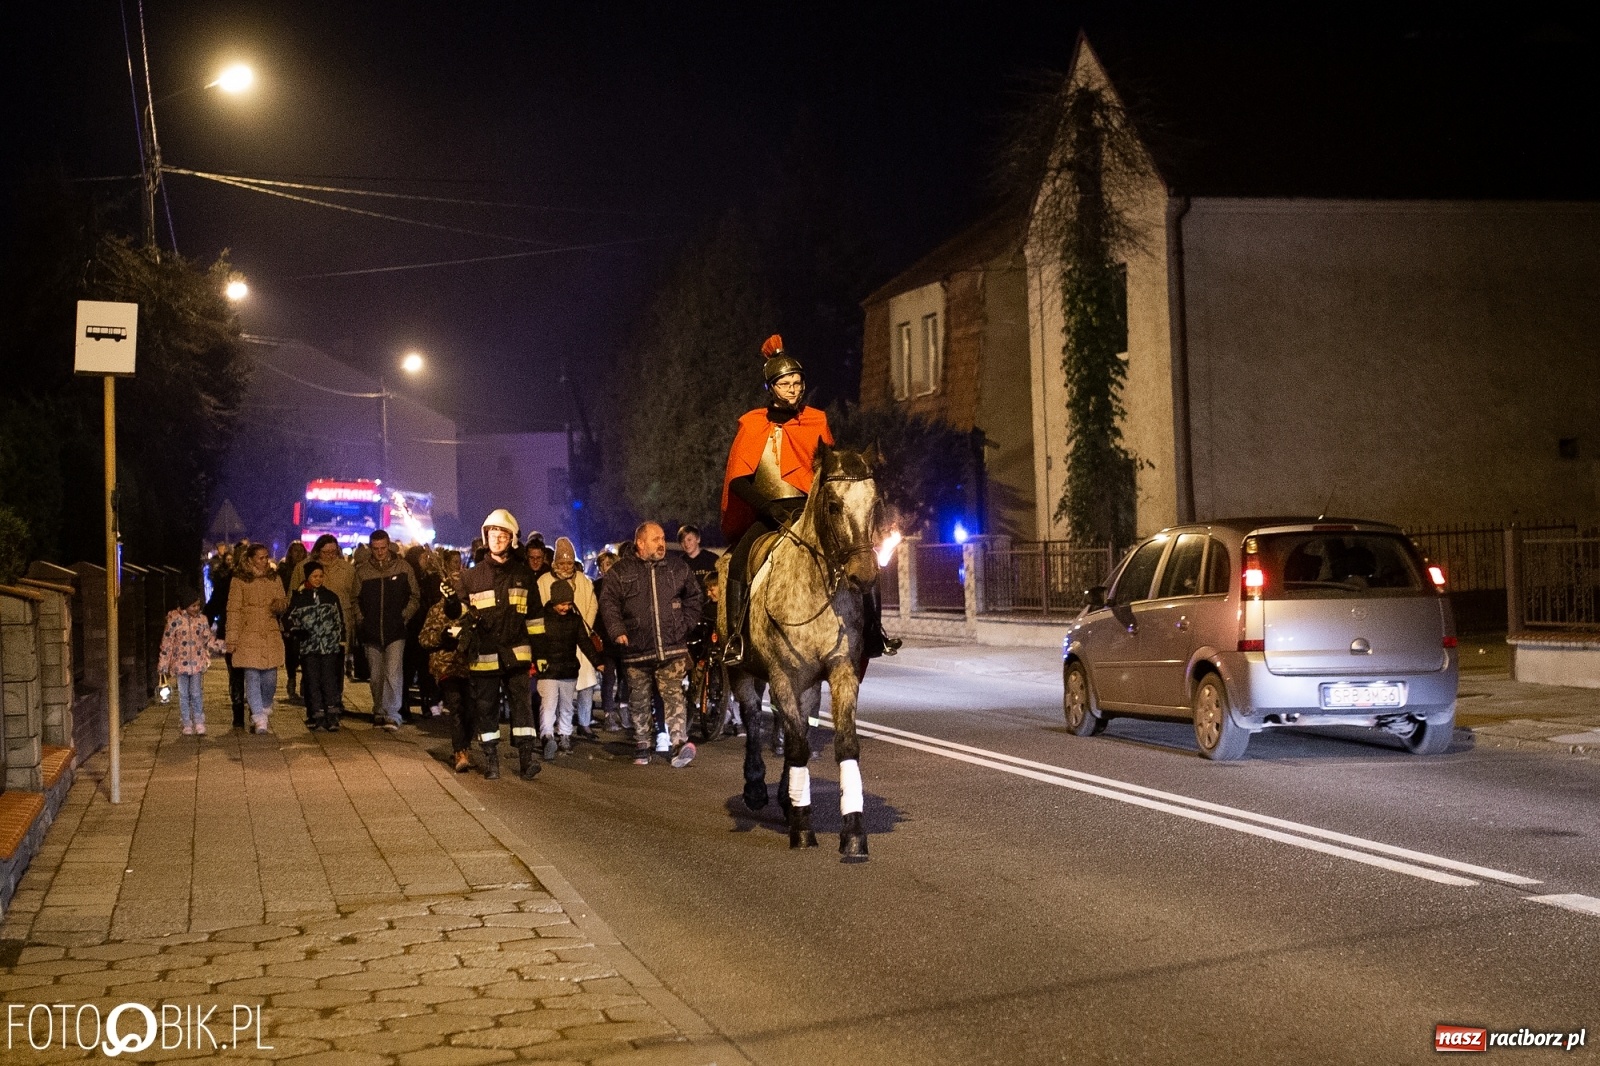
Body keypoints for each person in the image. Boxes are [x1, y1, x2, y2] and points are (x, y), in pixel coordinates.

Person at [718, 332, 899, 665]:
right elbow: (739, 480)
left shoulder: (815, 421)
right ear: (771, 388)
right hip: (768, 512)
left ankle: (874, 631)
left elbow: (827, 473)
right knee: (741, 561)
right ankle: (736, 640)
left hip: (809, 509)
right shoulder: (752, 426)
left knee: (863, 558)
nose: (794, 390)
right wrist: (766, 507)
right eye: (787, 384)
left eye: (798, 383)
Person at [598, 521, 702, 768]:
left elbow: (695, 596)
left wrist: (685, 623)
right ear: (640, 543)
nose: (662, 543)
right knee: (639, 698)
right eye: (656, 539)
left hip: (672, 646)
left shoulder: (677, 567)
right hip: (636, 649)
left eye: (663, 538)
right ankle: (643, 744)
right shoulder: (620, 572)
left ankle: (679, 744)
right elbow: (608, 602)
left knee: (674, 695)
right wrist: (617, 630)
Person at [458, 509, 541, 780]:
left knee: (522, 708)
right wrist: (451, 603)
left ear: (512, 539)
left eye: (502, 534)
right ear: (486, 537)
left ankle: (526, 760)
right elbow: (458, 617)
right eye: (493, 534)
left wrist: (540, 655)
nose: (497, 539)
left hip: (517, 653)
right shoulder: (471, 577)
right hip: (485, 655)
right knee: (486, 708)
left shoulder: (524, 574)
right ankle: (491, 759)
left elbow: (536, 617)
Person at [418, 550, 484, 775]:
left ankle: (466, 744)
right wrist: (442, 638)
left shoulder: (473, 611)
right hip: (447, 666)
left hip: (470, 666)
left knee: (471, 708)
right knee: (455, 706)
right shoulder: (437, 610)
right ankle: (460, 751)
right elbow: (424, 638)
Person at [353, 529, 421, 732]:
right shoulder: (363, 571)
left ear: (388, 545)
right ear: (371, 548)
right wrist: (361, 619)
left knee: (393, 672)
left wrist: (404, 616)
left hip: (395, 630)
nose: (380, 552)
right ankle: (379, 710)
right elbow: (354, 599)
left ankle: (392, 713)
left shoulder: (403, 567)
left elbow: (415, 595)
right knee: (375, 675)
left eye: (383, 548)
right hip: (372, 630)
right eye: (376, 549)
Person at [537, 537, 601, 741]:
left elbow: (592, 604)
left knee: (586, 685)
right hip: (553, 644)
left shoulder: (583, 581)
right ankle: (551, 730)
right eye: (562, 563)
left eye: (569, 563)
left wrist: (583, 628)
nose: (566, 566)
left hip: (580, 636)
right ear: (555, 563)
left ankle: (584, 722)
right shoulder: (544, 581)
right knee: (553, 696)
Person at [225, 543, 289, 734]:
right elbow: (233, 610)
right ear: (251, 559)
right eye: (260, 557)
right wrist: (232, 638)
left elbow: (283, 601)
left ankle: (265, 706)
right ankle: (258, 717)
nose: (264, 561)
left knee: (270, 677)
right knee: (252, 676)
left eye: (266, 557)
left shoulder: (274, 578)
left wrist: (280, 604)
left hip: (269, 632)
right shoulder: (239, 580)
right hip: (248, 634)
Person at [529, 578, 587, 759]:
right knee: (548, 705)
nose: (565, 608)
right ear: (554, 600)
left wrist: (597, 660)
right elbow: (536, 643)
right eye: (562, 603)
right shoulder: (543, 619)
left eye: (569, 604)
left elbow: (584, 642)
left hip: (567, 671)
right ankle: (548, 736)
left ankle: (564, 735)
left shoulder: (575, 620)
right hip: (548, 671)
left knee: (567, 706)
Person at [287, 560, 346, 732]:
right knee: (312, 680)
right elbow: (290, 618)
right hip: (309, 647)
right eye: (315, 576)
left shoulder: (330, 597)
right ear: (308, 577)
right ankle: (317, 714)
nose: (318, 579)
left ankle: (332, 714)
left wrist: (340, 639)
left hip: (329, 646)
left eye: (321, 576)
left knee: (329, 680)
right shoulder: (300, 598)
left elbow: (339, 619)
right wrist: (297, 631)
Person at [158, 586, 221, 735]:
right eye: (194, 605)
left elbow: (207, 638)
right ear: (186, 605)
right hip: (180, 664)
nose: (197, 608)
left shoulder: (202, 620)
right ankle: (186, 722)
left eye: (198, 605)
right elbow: (167, 643)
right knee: (183, 694)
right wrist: (163, 665)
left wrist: (220, 646)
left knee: (196, 693)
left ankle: (199, 721)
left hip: (197, 663)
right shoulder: (175, 620)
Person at [204, 545, 248, 728]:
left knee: (253, 674)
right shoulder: (227, 581)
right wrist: (201, 625)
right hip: (231, 632)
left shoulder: (263, 582)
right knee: (236, 672)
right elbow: (215, 604)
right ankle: (238, 711)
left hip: (253, 633)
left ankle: (256, 711)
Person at [278, 541, 309, 703]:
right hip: (289, 613)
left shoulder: (308, 569)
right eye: (294, 551)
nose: (298, 554)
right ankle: (291, 680)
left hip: (305, 614)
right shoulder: (283, 570)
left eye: (300, 551)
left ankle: (305, 682)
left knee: (305, 650)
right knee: (291, 651)